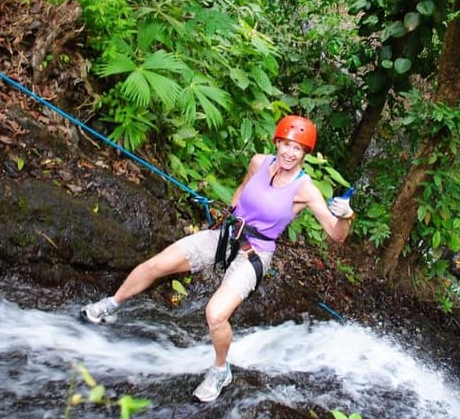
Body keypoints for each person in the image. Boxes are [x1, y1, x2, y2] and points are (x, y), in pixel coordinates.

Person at [80, 115, 355, 402]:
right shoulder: (259, 162)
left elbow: (336, 235)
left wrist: (346, 216)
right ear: (276, 142)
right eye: (285, 144)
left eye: (297, 148)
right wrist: (231, 211)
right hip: (226, 235)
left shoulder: (305, 189)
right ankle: (112, 304)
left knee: (215, 314)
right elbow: (243, 188)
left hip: (254, 253)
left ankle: (220, 370)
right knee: (157, 264)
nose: (289, 152)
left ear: (305, 154)